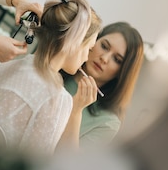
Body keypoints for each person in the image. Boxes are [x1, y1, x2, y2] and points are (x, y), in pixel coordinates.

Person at [0, 0, 103, 156]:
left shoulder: (10, 65)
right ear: (74, 42)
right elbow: (35, 162)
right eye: (89, 49)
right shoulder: (58, 99)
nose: (86, 57)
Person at [58, 21, 145, 149]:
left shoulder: (108, 122)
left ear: (122, 72)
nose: (104, 58)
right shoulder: (58, 67)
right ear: (94, 41)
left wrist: (76, 111)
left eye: (117, 60)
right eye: (104, 46)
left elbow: (66, 161)